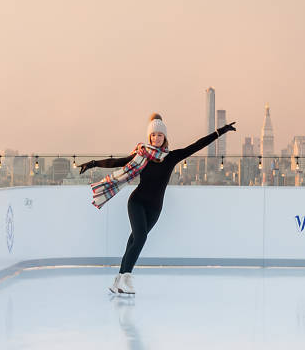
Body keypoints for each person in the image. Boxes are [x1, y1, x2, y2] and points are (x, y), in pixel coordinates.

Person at [79, 113, 236, 294]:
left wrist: (220, 131)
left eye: (160, 135)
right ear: (149, 137)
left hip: (155, 208)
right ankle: (126, 279)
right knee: (140, 238)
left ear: (165, 137)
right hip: (136, 202)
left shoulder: (171, 157)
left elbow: (196, 145)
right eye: (153, 135)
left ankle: (118, 280)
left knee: (133, 241)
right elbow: (116, 161)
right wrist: (92, 163)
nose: (156, 138)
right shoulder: (141, 156)